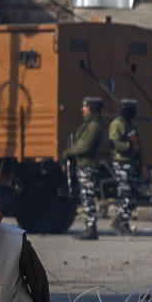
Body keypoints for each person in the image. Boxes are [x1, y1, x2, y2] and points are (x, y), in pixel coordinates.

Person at [62, 97, 104, 240]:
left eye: (85, 107)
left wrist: (69, 152)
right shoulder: (88, 124)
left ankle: (91, 229)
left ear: (91, 108)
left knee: (88, 196)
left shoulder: (94, 125)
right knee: (86, 197)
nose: (82, 109)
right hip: (83, 165)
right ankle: (89, 227)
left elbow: (86, 145)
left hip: (88, 165)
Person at [109, 99, 144, 237]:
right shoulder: (117, 124)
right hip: (121, 163)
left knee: (133, 197)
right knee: (126, 196)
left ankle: (123, 222)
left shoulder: (128, 124)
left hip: (131, 163)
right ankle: (119, 222)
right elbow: (114, 143)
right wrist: (130, 147)